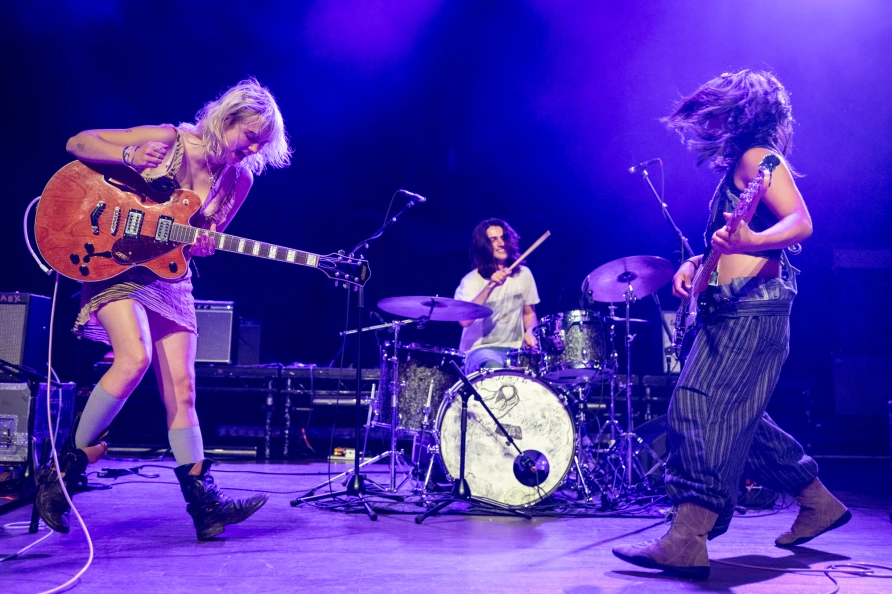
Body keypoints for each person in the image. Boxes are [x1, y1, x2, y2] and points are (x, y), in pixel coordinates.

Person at [612, 70, 849, 578]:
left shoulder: (759, 158)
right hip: (735, 306)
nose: (708, 121)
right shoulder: (742, 167)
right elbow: (732, 243)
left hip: (752, 308)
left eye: (718, 110)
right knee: (741, 420)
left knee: (695, 407)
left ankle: (688, 536)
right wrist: (695, 266)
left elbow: (799, 222)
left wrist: (745, 245)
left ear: (742, 112)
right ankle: (817, 501)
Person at [36, 78, 292, 541]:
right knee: (134, 358)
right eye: (249, 136)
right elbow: (77, 142)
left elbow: (201, 238)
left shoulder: (241, 178)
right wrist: (128, 157)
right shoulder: (169, 140)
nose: (252, 148)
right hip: (115, 260)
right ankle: (62, 471)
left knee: (183, 387)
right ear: (227, 118)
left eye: (261, 144)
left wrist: (207, 240)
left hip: (170, 274)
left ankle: (204, 504)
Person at [454, 218, 539, 373]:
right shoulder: (470, 281)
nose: (501, 243)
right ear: (483, 246)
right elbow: (464, 321)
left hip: (514, 351)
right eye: (494, 240)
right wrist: (490, 287)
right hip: (479, 351)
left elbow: (529, 313)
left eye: (504, 238)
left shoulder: (524, 274)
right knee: (497, 371)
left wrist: (530, 331)